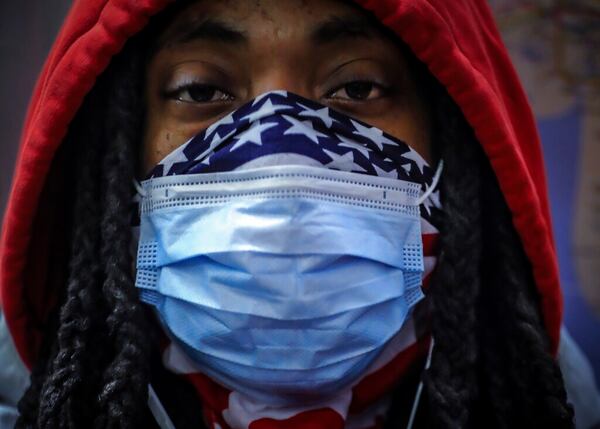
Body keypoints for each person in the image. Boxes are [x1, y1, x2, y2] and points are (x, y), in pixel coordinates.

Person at [1, 0, 599, 428]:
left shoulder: (546, 400)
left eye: (358, 87)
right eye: (200, 90)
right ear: (118, 149)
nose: (277, 147)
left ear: (456, 141)